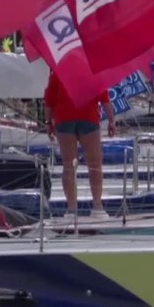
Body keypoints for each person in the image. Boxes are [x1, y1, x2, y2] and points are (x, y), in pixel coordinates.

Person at [44, 72, 114, 218]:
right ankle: (97, 206)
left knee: (69, 165)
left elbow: (49, 99)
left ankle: (71, 209)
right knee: (94, 164)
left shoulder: (59, 69)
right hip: (88, 116)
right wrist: (111, 121)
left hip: (64, 118)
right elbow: (104, 97)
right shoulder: (91, 69)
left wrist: (48, 123)